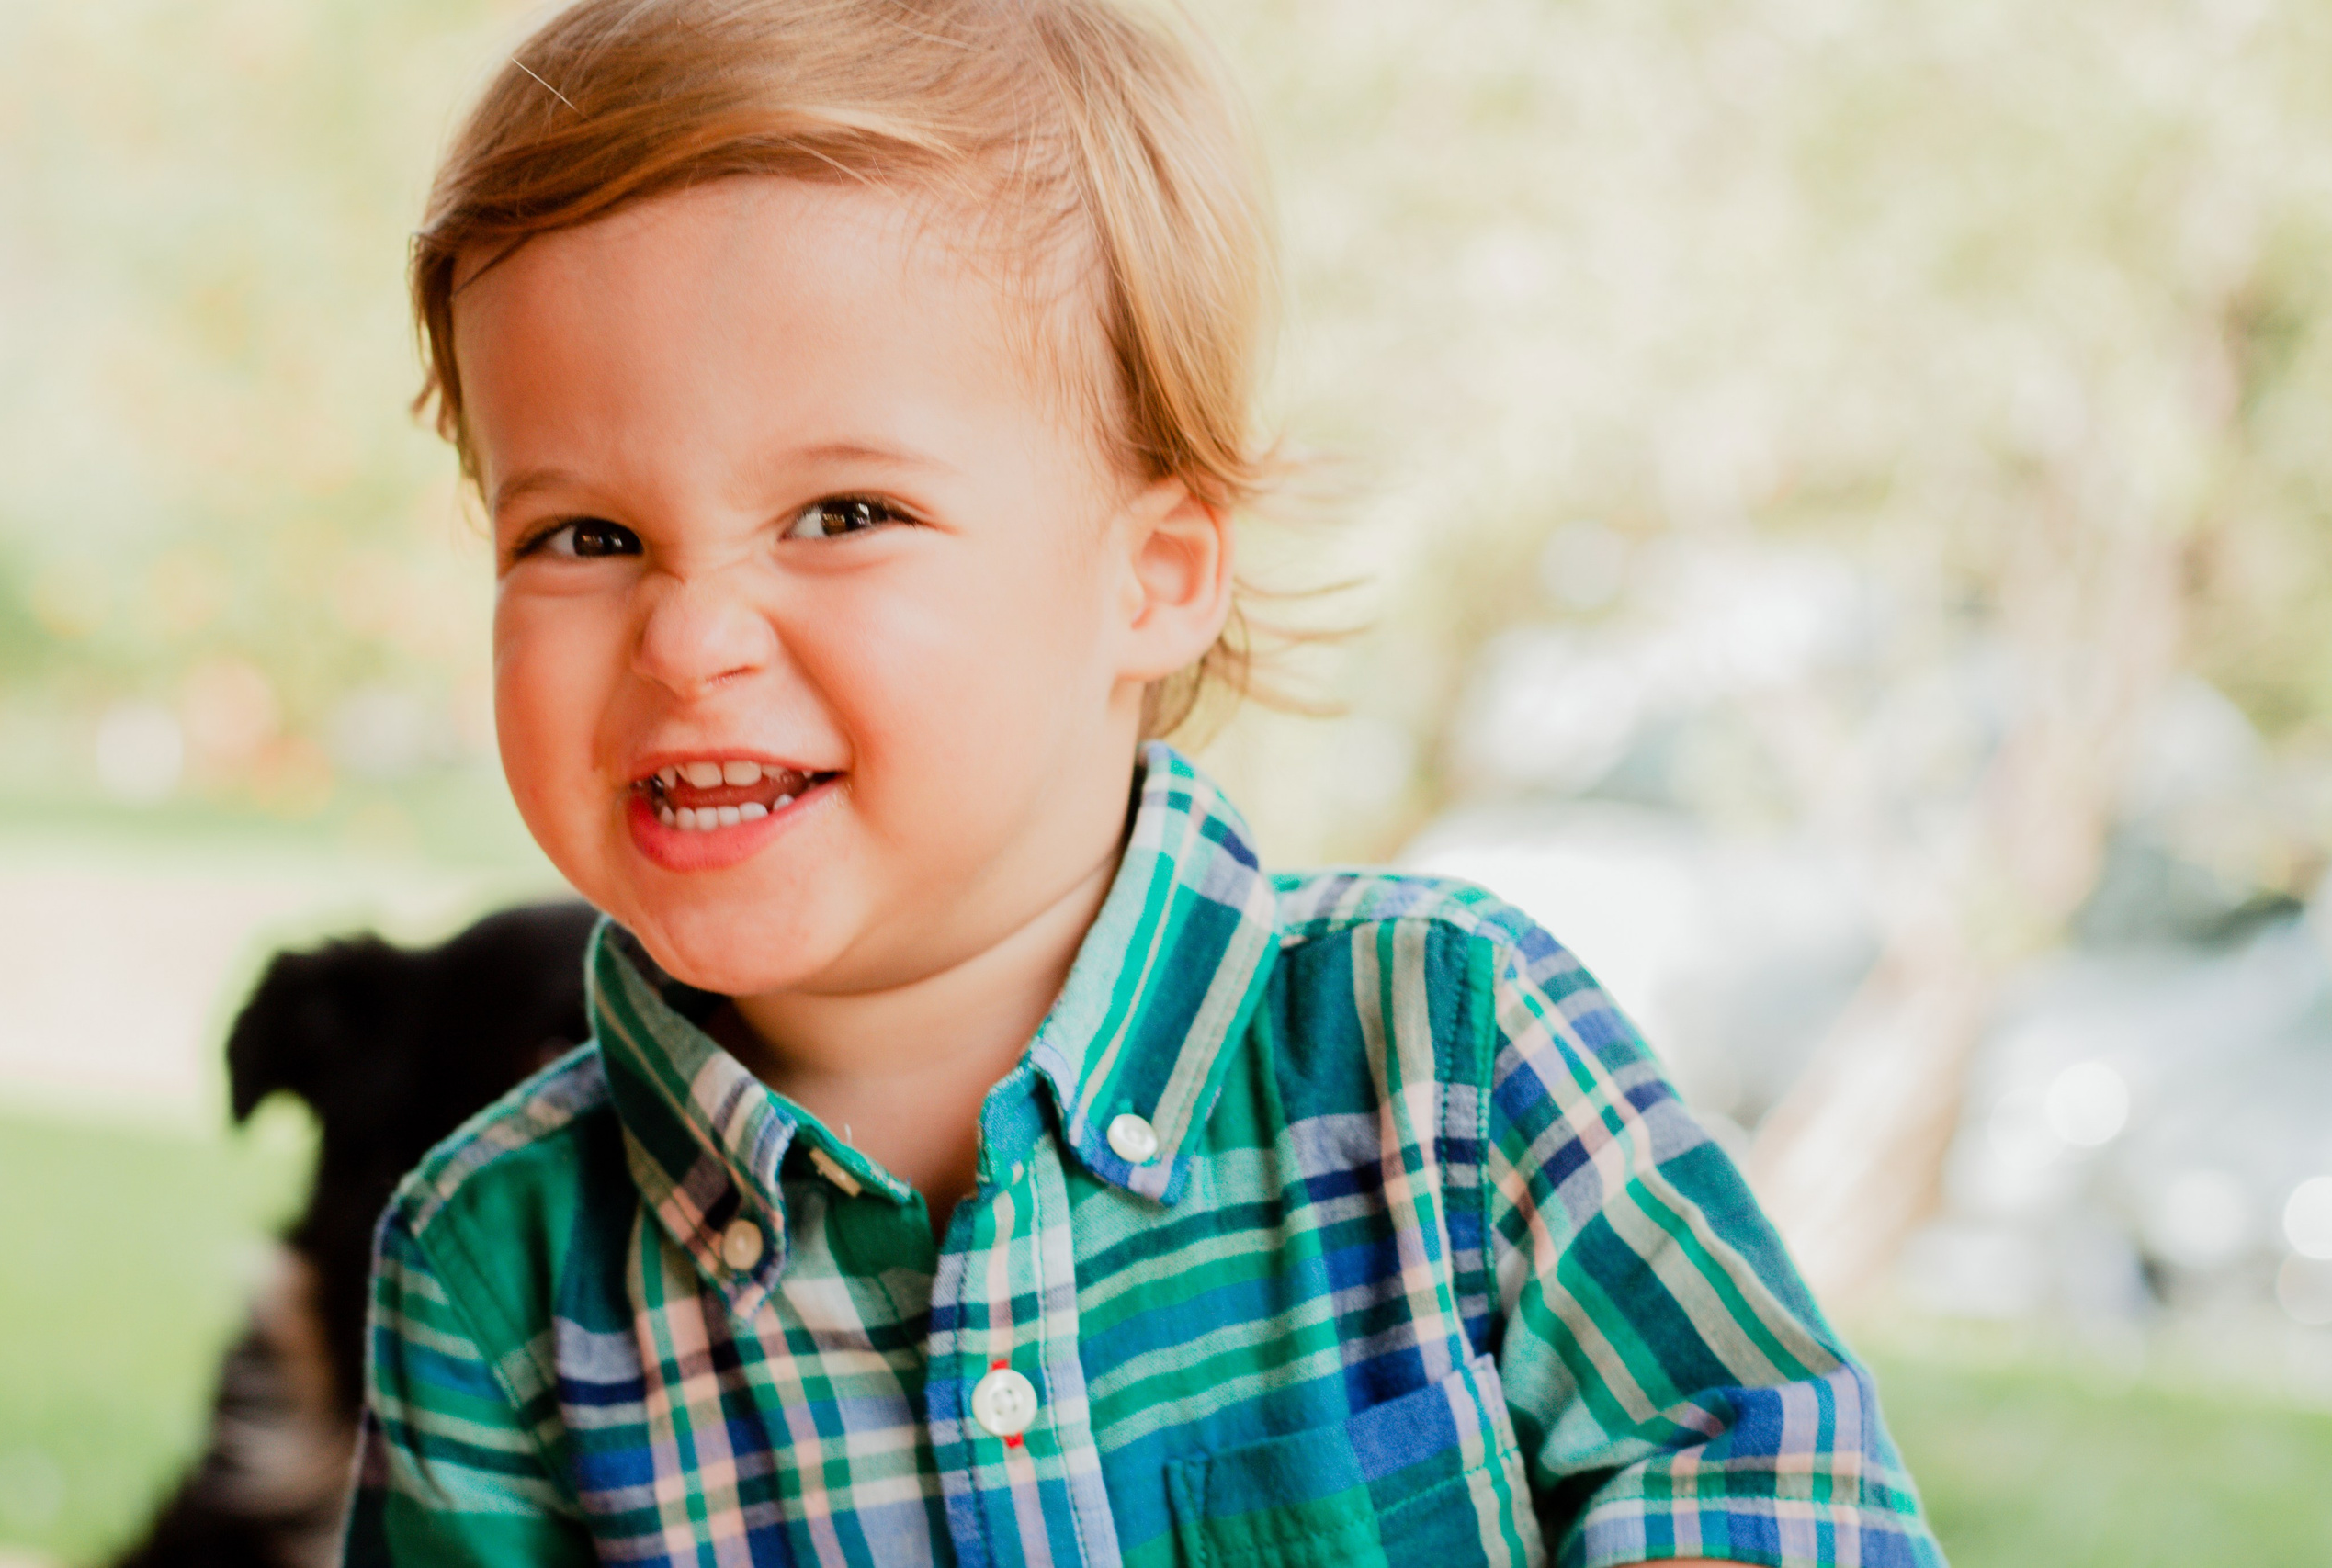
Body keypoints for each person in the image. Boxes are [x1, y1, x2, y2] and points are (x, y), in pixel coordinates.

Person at [344, 2, 1946, 1563]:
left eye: (842, 514)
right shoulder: (493, 1281)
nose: (687, 636)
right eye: (584, 537)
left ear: (1154, 574)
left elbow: (1782, 1487)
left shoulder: (1451, 1053)